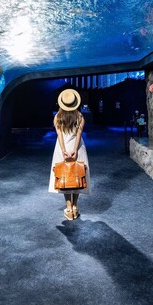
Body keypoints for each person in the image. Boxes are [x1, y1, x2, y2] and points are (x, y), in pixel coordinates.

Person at [49, 89, 91, 220]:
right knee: (78, 174)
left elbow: (59, 135)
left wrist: (63, 151)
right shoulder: (80, 117)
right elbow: (78, 134)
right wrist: (75, 150)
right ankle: (75, 206)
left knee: (64, 176)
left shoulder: (57, 117)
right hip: (77, 147)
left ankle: (68, 207)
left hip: (63, 148)